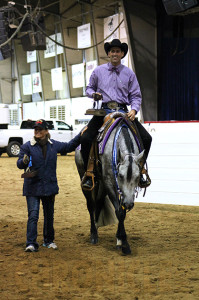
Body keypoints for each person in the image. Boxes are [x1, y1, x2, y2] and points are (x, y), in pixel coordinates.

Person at [81, 38, 152, 189]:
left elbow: (136, 95)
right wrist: (94, 94)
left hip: (123, 111)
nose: (115, 53)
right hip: (103, 111)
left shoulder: (129, 74)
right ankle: (90, 172)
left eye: (118, 51)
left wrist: (133, 110)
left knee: (147, 138)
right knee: (86, 138)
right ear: (108, 53)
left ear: (122, 54)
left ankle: (141, 170)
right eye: (112, 51)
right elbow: (88, 88)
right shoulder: (98, 71)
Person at [17, 119, 81, 252]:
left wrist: (81, 135)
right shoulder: (27, 147)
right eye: (36, 129)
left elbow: (69, 146)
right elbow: (19, 164)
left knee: (49, 215)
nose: (37, 131)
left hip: (49, 187)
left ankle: (48, 241)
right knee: (33, 215)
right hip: (32, 187)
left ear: (46, 131)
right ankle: (31, 243)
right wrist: (23, 161)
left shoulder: (54, 145)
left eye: (40, 129)